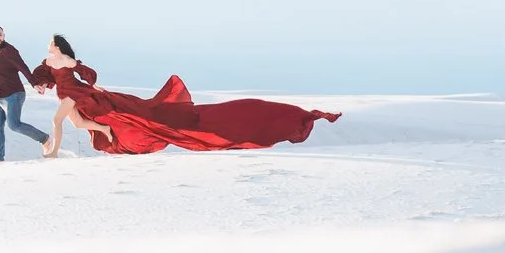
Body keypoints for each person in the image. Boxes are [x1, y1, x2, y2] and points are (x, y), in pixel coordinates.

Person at [31, 35, 341, 156]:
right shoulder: (48, 61)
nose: (49, 46)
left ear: (58, 46)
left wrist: (93, 84)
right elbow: (41, 73)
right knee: (77, 125)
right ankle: (104, 129)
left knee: (59, 122)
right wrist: (40, 84)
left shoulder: (68, 60)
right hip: (66, 95)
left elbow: (88, 73)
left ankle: (53, 152)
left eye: (51, 43)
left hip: (77, 95)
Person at [0, 26, 50, 162]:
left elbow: (23, 67)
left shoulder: (9, 51)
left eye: (0, 34)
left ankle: (44, 139)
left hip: (13, 94)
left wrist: (34, 84)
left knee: (14, 125)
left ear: (4, 36)